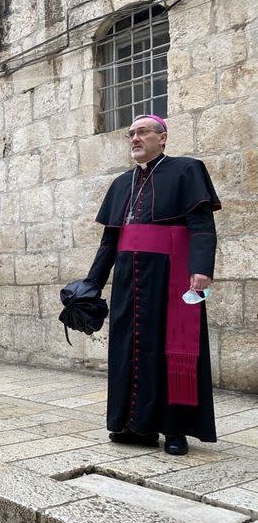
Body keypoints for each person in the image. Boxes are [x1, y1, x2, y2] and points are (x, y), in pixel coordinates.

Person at [86, 114, 221, 455]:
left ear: (162, 138)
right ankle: (134, 426)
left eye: (142, 132)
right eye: (131, 133)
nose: (134, 138)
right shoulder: (120, 184)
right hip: (128, 281)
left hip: (169, 276)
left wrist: (201, 269)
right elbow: (108, 242)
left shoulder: (187, 170)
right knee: (127, 351)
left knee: (171, 350)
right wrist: (91, 284)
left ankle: (175, 430)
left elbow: (201, 224)